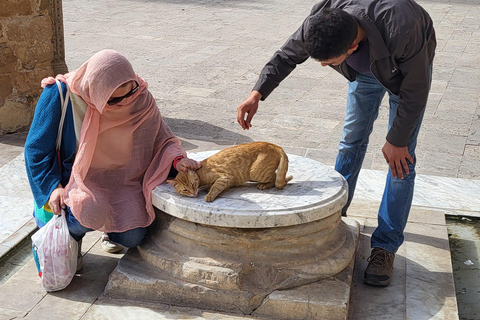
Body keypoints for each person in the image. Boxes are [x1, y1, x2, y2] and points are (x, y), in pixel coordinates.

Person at [236, 0, 436, 287]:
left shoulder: (403, 28)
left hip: (404, 71)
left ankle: (385, 246)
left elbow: (415, 91)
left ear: (352, 48)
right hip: (365, 73)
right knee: (351, 142)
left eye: (328, 62)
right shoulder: (322, 18)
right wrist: (257, 92)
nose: (322, 65)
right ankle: (332, 217)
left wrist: (397, 140)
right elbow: (287, 55)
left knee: (401, 159)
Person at [25, 49, 201, 271]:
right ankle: (70, 236)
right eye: (115, 99)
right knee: (86, 213)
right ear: (96, 92)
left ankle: (111, 233)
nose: (126, 102)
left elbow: (161, 139)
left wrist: (176, 161)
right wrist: (52, 188)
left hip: (120, 180)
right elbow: (36, 150)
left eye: (130, 92)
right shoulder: (59, 95)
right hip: (71, 179)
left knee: (134, 236)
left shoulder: (139, 96)